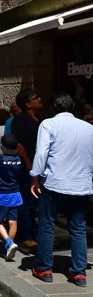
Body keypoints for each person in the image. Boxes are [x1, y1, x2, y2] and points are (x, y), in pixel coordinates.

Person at [30, 93, 93, 287]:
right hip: (81, 184)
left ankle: (44, 268)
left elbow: (42, 152)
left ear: (53, 108)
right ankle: (79, 273)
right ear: (73, 107)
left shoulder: (48, 124)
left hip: (55, 182)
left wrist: (35, 176)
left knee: (47, 225)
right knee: (78, 228)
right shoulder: (89, 128)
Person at [12, 89, 42, 253]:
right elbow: (19, 144)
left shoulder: (40, 120)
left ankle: (35, 233)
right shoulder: (20, 120)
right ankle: (26, 236)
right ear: (28, 104)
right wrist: (28, 163)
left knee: (36, 202)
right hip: (27, 168)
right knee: (27, 202)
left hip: (41, 167)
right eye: (36, 98)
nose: (40, 99)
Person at [0, 134, 23, 261]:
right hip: (16, 193)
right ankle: (9, 248)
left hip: (3, 193)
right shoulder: (19, 159)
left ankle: (9, 242)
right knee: (13, 222)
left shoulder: (0, 159)